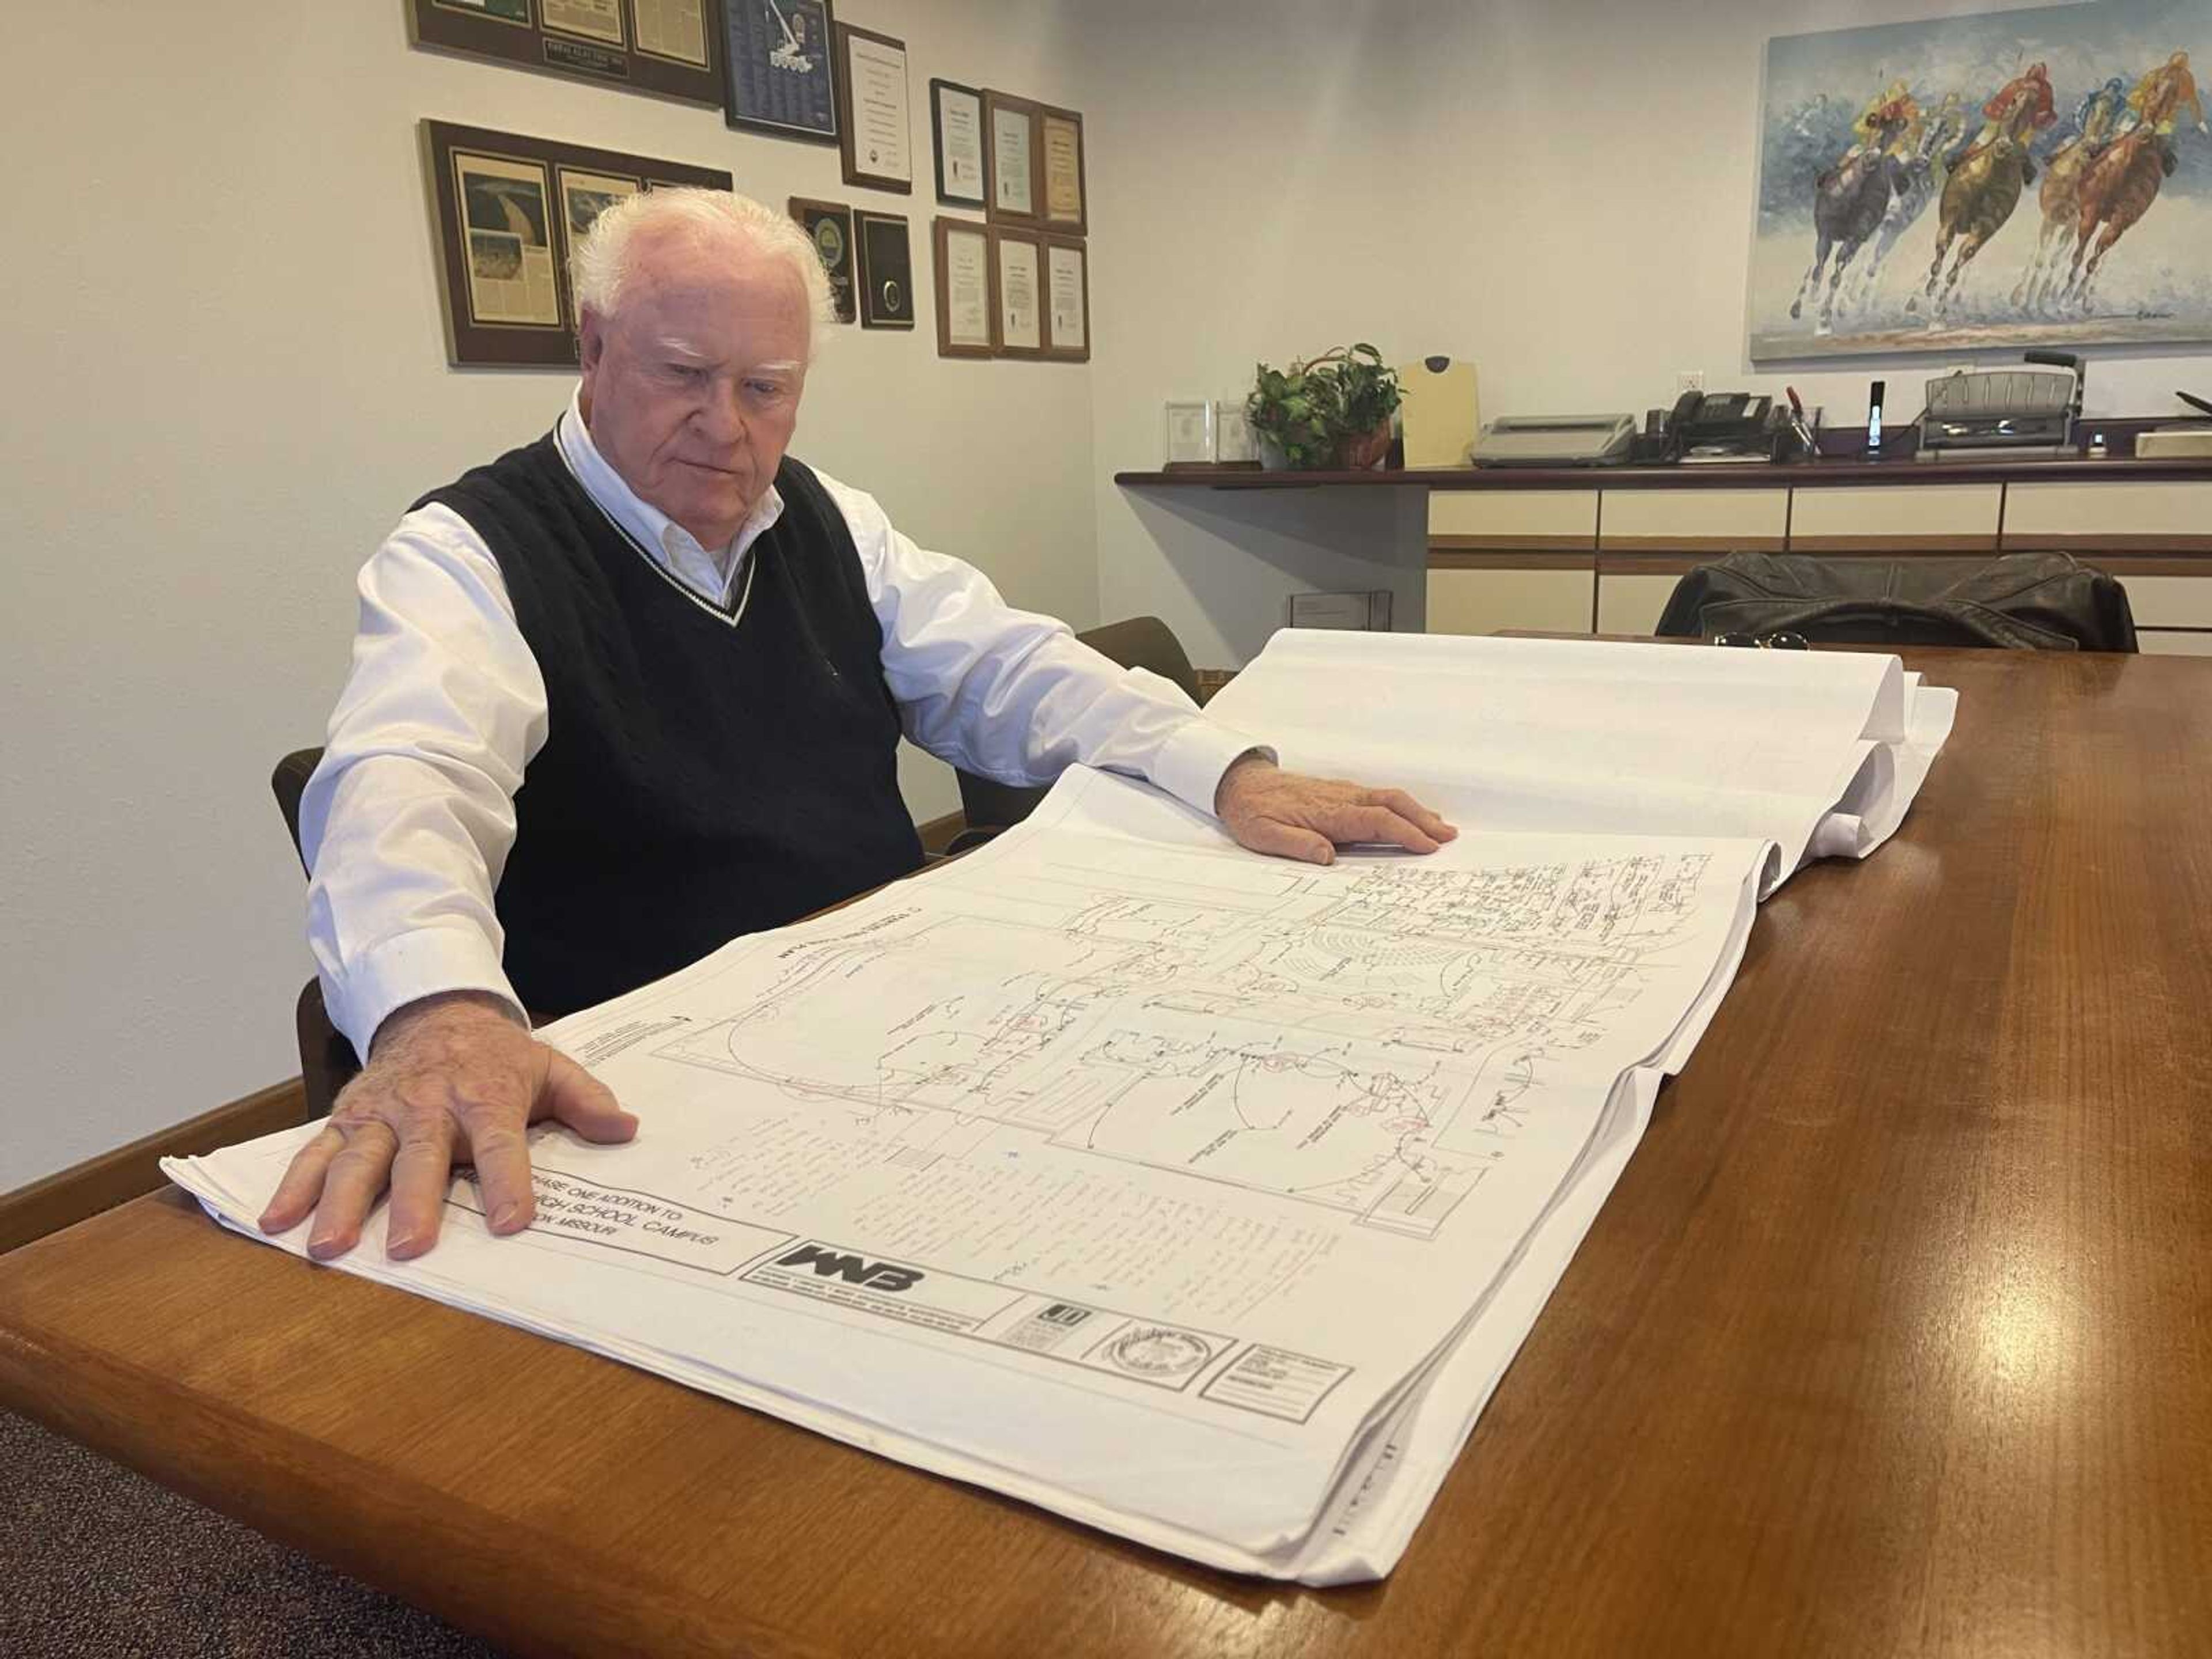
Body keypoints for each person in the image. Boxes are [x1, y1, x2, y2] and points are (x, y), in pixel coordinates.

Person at [259, 188, 1457, 1265]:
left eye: (764, 388)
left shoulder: (825, 518)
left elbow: (1011, 668)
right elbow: (402, 782)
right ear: (593, 347)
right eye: (683, 373)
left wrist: (1225, 768)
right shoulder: (469, 553)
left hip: (889, 1020)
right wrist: (438, 1008)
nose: (726, 425)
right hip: (656, 1074)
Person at [2116, 50, 2209, 173]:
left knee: (2167, 141)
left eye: (2180, 67)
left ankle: (2166, 162)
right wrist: (2141, 106)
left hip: (2165, 117)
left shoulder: (2186, 79)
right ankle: (2104, 146)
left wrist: (2200, 121)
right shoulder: (2158, 74)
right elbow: (2142, 90)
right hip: (2143, 109)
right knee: (2122, 129)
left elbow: (2193, 102)